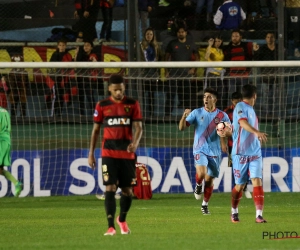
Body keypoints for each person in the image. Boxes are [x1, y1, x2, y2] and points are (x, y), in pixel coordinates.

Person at [88, 74, 143, 236]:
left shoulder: (132, 104)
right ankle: (110, 226)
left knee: (127, 192)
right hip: (108, 153)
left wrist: (136, 143)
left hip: (127, 154)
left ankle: (122, 219)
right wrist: (91, 153)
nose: (119, 92)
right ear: (109, 89)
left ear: (124, 88)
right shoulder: (102, 105)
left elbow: (139, 127)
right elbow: (96, 130)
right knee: (110, 188)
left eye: (121, 89)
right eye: (115, 89)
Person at [178, 88, 231, 215]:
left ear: (215, 99)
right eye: (204, 96)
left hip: (215, 151)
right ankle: (197, 185)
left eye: (209, 97)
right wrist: (184, 116)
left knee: (210, 180)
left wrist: (225, 134)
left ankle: (205, 204)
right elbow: (181, 128)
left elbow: (229, 131)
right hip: (199, 149)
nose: (206, 99)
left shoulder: (222, 115)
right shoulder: (196, 113)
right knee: (201, 173)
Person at [230, 84, 268, 223]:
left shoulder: (251, 109)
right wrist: (257, 132)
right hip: (240, 153)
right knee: (239, 185)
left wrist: (256, 136)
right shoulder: (240, 106)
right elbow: (242, 123)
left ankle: (259, 215)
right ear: (255, 96)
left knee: (257, 181)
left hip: (255, 153)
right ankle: (234, 211)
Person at [164, 25, 199, 116]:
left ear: (186, 33)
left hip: (186, 74)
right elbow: (166, 58)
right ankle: (167, 115)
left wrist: (194, 68)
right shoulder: (172, 43)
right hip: (173, 74)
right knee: (171, 95)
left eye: (182, 32)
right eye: (179, 32)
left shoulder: (191, 43)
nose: (181, 33)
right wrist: (166, 71)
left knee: (187, 96)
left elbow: (197, 56)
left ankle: (188, 116)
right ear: (177, 33)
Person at [223, 92, 252, 198]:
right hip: (232, 144)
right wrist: (223, 142)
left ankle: (245, 187)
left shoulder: (247, 110)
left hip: (246, 144)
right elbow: (222, 128)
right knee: (235, 166)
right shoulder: (227, 112)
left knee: (247, 165)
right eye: (235, 102)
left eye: (238, 101)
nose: (237, 103)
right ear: (232, 101)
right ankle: (239, 187)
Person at [223, 29, 253, 103]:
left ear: (240, 37)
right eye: (233, 36)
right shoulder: (227, 48)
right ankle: (230, 112)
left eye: (236, 36)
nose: (234, 38)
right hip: (232, 75)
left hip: (244, 75)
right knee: (231, 96)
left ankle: (244, 112)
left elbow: (250, 57)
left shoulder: (245, 46)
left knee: (244, 96)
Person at [0, 106, 23, 197]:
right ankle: (16, 183)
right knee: (0, 170)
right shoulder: (5, 111)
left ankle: (16, 183)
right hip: (7, 140)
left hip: (1, 141)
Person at [140, 27, 162, 117]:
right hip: (143, 72)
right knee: (142, 93)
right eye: (147, 34)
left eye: (151, 34)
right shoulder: (140, 45)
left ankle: (152, 113)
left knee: (151, 93)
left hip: (153, 72)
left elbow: (160, 57)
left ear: (153, 36)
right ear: (145, 36)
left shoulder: (156, 46)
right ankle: (141, 113)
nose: (149, 36)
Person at [49, 39, 73, 116]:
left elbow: (70, 67)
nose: (62, 47)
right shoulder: (54, 55)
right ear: (58, 46)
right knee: (56, 96)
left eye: (63, 45)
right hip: (56, 79)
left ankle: (59, 114)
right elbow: (51, 67)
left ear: (65, 46)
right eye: (60, 45)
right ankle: (53, 115)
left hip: (64, 79)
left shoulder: (68, 55)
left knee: (62, 96)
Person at [74, 40, 98, 116]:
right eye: (84, 45)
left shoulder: (93, 55)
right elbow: (75, 64)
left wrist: (94, 60)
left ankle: (95, 115)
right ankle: (82, 115)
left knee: (90, 97)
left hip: (89, 80)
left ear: (91, 47)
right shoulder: (80, 55)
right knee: (81, 97)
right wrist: (76, 54)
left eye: (88, 45)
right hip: (80, 79)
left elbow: (94, 60)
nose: (86, 47)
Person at [204, 35, 226, 110]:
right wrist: (209, 45)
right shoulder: (211, 49)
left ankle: (218, 110)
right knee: (212, 94)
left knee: (220, 94)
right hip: (212, 74)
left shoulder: (221, 50)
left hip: (220, 75)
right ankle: (210, 109)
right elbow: (206, 57)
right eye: (215, 41)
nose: (217, 43)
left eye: (219, 41)